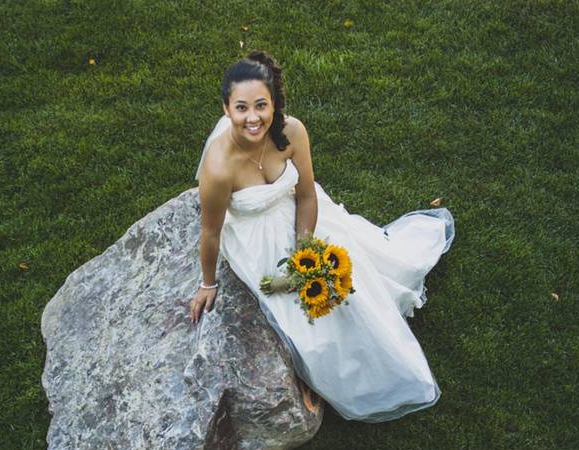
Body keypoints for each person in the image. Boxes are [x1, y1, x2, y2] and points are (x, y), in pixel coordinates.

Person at [189, 51, 455, 423]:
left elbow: (307, 194)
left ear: (274, 103)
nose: (253, 118)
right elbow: (211, 231)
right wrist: (207, 282)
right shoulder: (218, 168)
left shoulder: (293, 131)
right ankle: (333, 377)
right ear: (226, 108)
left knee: (354, 282)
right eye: (242, 108)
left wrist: (305, 250)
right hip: (256, 242)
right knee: (308, 325)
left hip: (304, 221)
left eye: (261, 105)